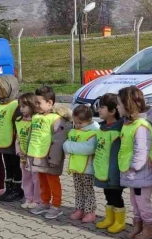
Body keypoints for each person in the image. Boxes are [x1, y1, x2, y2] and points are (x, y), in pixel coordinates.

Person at [117, 86, 152, 239]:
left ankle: (149, 228)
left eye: (119, 103)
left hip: (140, 172)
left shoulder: (141, 126)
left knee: (142, 202)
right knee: (135, 201)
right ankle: (138, 225)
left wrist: (133, 168)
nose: (117, 107)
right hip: (133, 173)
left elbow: (141, 151)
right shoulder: (129, 124)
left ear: (128, 105)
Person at [28, 85, 72, 220]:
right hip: (38, 157)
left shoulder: (57, 120)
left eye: (39, 103)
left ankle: (56, 206)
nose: (36, 105)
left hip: (51, 158)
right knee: (43, 182)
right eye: (35, 102)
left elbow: (59, 141)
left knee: (53, 182)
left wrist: (54, 159)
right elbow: (32, 136)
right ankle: (45, 202)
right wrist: (27, 152)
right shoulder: (36, 117)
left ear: (49, 103)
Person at [94, 94, 126, 234]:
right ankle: (109, 218)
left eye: (102, 107)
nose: (98, 110)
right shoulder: (102, 127)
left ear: (112, 111)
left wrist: (114, 173)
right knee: (108, 194)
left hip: (113, 172)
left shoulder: (118, 129)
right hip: (103, 170)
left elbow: (116, 155)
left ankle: (120, 222)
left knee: (116, 196)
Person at [63, 105, 100, 223]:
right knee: (78, 190)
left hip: (87, 169)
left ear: (89, 120)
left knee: (88, 191)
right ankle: (79, 209)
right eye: (75, 122)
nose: (77, 125)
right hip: (75, 167)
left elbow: (88, 149)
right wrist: (72, 146)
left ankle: (90, 211)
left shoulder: (93, 132)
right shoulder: (73, 131)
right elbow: (65, 146)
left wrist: (71, 146)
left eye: (80, 123)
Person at [0, 75, 24, 202]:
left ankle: (17, 189)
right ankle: (9, 188)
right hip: (1, 140)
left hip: (12, 142)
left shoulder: (15, 105)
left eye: (1, 88)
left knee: (15, 166)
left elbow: (19, 125)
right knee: (7, 166)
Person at [15, 93, 42, 210]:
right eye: (20, 106)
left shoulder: (37, 121)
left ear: (32, 105)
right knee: (26, 178)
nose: (21, 109)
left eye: (24, 106)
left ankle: (37, 200)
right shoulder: (19, 121)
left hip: (34, 155)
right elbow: (18, 139)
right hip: (23, 156)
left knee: (36, 179)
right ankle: (28, 198)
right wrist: (18, 151)